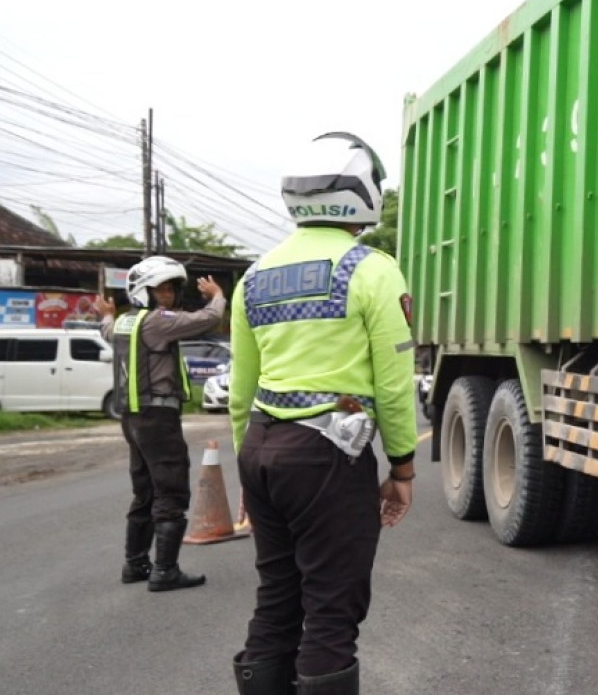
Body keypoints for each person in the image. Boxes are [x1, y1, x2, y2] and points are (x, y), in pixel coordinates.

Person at [228, 131, 417, 695]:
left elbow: (242, 392)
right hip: (327, 456)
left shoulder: (254, 276)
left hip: (261, 449)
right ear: (361, 193)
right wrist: (402, 469)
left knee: (277, 599)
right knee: (332, 611)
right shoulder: (372, 270)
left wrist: (246, 470)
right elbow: (394, 383)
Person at [95, 255, 226, 592]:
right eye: (160, 290)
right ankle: (165, 571)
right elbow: (209, 317)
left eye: (170, 290)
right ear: (144, 292)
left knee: (145, 491)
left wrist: (106, 315)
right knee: (171, 490)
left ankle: (135, 564)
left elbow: (108, 330)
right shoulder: (157, 322)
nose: (167, 296)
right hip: (157, 419)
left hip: (133, 418)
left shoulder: (125, 322)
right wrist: (217, 295)